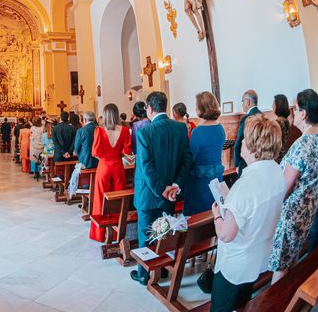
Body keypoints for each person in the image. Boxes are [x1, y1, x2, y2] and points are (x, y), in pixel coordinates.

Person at [210, 115, 285, 312]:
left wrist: (217, 214)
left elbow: (226, 234)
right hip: (259, 255)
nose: (241, 142)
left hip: (236, 264)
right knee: (243, 303)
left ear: (253, 146)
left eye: (243, 138)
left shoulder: (245, 185)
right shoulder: (277, 171)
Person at [131, 91, 192, 285]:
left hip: (149, 194)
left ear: (149, 108)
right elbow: (186, 161)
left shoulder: (144, 132)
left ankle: (143, 274)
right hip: (170, 195)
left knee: (146, 234)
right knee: (163, 233)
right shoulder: (180, 128)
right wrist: (174, 186)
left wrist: (161, 189)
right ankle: (162, 271)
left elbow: (146, 166)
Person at [269, 89, 318, 283]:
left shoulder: (303, 144)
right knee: (293, 258)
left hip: (291, 213)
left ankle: (277, 303)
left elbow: (285, 186)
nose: (293, 114)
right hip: (308, 210)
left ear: (304, 114)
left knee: (281, 265)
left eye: (296, 110)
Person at [90, 104, 131, 242]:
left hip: (104, 166)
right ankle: (117, 232)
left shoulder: (99, 130)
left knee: (100, 198)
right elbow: (126, 151)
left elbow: (95, 152)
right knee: (118, 199)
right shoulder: (125, 130)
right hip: (118, 166)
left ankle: (100, 234)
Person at [183, 91, 225, 216]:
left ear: (201, 108)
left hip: (199, 182)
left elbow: (190, 158)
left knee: (197, 215)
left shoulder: (198, 131)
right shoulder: (220, 128)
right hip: (216, 179)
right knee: (213, 212)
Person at [234, 89, 261, 175]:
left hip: (246, 160)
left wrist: (237, 163)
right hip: (260, 159)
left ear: (248, 102)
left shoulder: (246, 118)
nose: (242, 104)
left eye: (243, 101)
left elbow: (239, 142)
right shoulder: (263, 115)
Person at [273, 94, 302, 161]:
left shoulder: (277, 123)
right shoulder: (286, 121)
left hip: (280, 159)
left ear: (277, 106)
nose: (272, 106)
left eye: (273, 104)